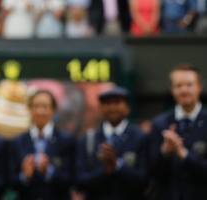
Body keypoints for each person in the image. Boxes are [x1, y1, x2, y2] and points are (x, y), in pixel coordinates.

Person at [75, 86, 148, 200]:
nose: (112, 107)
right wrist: (105, 170)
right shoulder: (88, 139)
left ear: (127, 108)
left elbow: (145, 180)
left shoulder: (140, 137)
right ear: (100, 108)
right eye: (107, 103)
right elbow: (79, 182)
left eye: (117, 102)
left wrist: (117, 166)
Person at [148, 64, 207, 199]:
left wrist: (184, 154)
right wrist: (165, 152)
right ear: (172, 90)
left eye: (189, 85)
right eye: (178, 86)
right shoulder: (159, 124)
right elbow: (151, 173)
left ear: (199, 87)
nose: (184, 90)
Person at [9, 89, 75, 200]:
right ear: (29, 109)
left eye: (45, 107)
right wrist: (24, 176)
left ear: (53, 110)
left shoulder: (67, 140)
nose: (40, 111)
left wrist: (49, 172)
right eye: (36, 106)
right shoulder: (17, 142)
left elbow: (73, 179)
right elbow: (9, 182)